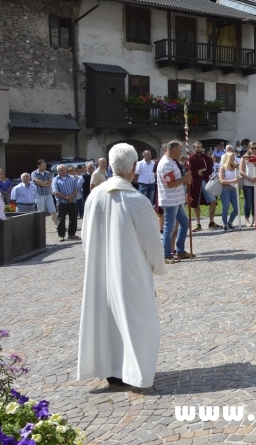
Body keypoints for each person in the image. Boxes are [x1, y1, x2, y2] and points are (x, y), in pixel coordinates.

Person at [77, 143, 165, 389]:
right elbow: (152, 243)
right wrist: (157, 266)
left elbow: (85, 236)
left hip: (101, 270)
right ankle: (133, 371)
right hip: (131, 271)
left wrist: (96, 258)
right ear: (134, 167)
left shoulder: (94, 195)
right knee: (136, 320)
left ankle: (112, 370)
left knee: (107, 320)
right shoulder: (136, 200)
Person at [157, 141, 193, 263]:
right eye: (179, 150)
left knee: (184, 223)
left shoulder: (172, 162)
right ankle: (167, 254)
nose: (180, 152)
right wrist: (184, 178)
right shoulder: (165, 164)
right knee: (169, 228)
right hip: (170, 200)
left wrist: (184, 180)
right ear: (172, 149)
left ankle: (180, 250)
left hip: (177, 199)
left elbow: (176, 180)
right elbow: (170, 184)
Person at [188, 142, 221, 232]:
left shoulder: (207, 158)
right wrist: (198, 171)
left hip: (206, 182)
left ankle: (211, 222)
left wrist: (200, 171)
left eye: (200, 147)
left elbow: (209, 170)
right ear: (194, 148)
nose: (199, 148)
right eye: (197, 147)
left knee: (213, 201)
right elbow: (191, 170)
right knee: (196, 203)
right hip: (195, 183)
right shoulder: (191, 158)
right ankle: (198, 224)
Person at [52, 164, 80, 242]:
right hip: (62, 202)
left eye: (64, 169)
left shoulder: (72, 178)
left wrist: (71, 196)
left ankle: (71, 234)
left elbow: (76, 188)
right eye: (61, 170)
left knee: (73, 218)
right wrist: (66, 198)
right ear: (58, 171)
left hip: (73, 201)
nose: (63, 171)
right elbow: (56, 192)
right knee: (61, 219)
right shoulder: (55, 180)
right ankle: (61, 235)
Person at [240, 143, 256, 226]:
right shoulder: (244, 157)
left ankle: (255, 219)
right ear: (248, 148)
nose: (254, 150)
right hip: (248, 182)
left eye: (255, 148)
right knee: (248, 201)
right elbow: (241, 171)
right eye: (252, 148)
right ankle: (247, 219)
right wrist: (249, 178)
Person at [218, 151, 240, 231]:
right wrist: (232, 181)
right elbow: (221, 180)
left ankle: (230, 222)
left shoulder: (234, 168)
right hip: (225, 189)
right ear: (227, 159)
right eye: (231, 158)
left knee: (237, 208)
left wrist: (237, 169)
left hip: (233, 189)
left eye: (234, 158)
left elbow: (238, 176)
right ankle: (225, 225)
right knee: (226, 207)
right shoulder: (223, 168)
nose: (233, 160)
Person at [32, 159, 58, 225]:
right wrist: (44, 182)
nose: (44, 167)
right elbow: (38, 182)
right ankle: (41, 226)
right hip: (39, 194)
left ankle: (57, 225)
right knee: (40, 212)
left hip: (48, 194)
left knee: (53, 210)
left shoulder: (47, 173)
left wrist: (42, 182)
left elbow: (49, 183)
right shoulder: (34, 173)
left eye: (45, 165)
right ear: (38, 166)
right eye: (43, 165)